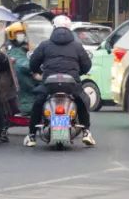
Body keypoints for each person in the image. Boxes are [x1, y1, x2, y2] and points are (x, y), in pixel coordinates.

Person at [24, 15, 95, 147]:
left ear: (54, 28)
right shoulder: (77, 46)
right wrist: (78, 72)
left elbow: (33, 63)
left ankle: (32, 135)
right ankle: (86, 132)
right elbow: (87, 66)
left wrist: (38, 72)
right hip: (71, 84)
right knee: (81, 101)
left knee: (38, 102)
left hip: (49, 84)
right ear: (69, 29)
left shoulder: (45, 45)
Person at [5, 22, 38, 116]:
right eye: (19, 33)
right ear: (12, 35)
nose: (21, 35)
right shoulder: (12, 48)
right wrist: (36, 67)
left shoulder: (24, 46)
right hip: (23, 81)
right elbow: (23, 64)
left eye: (23, 33)